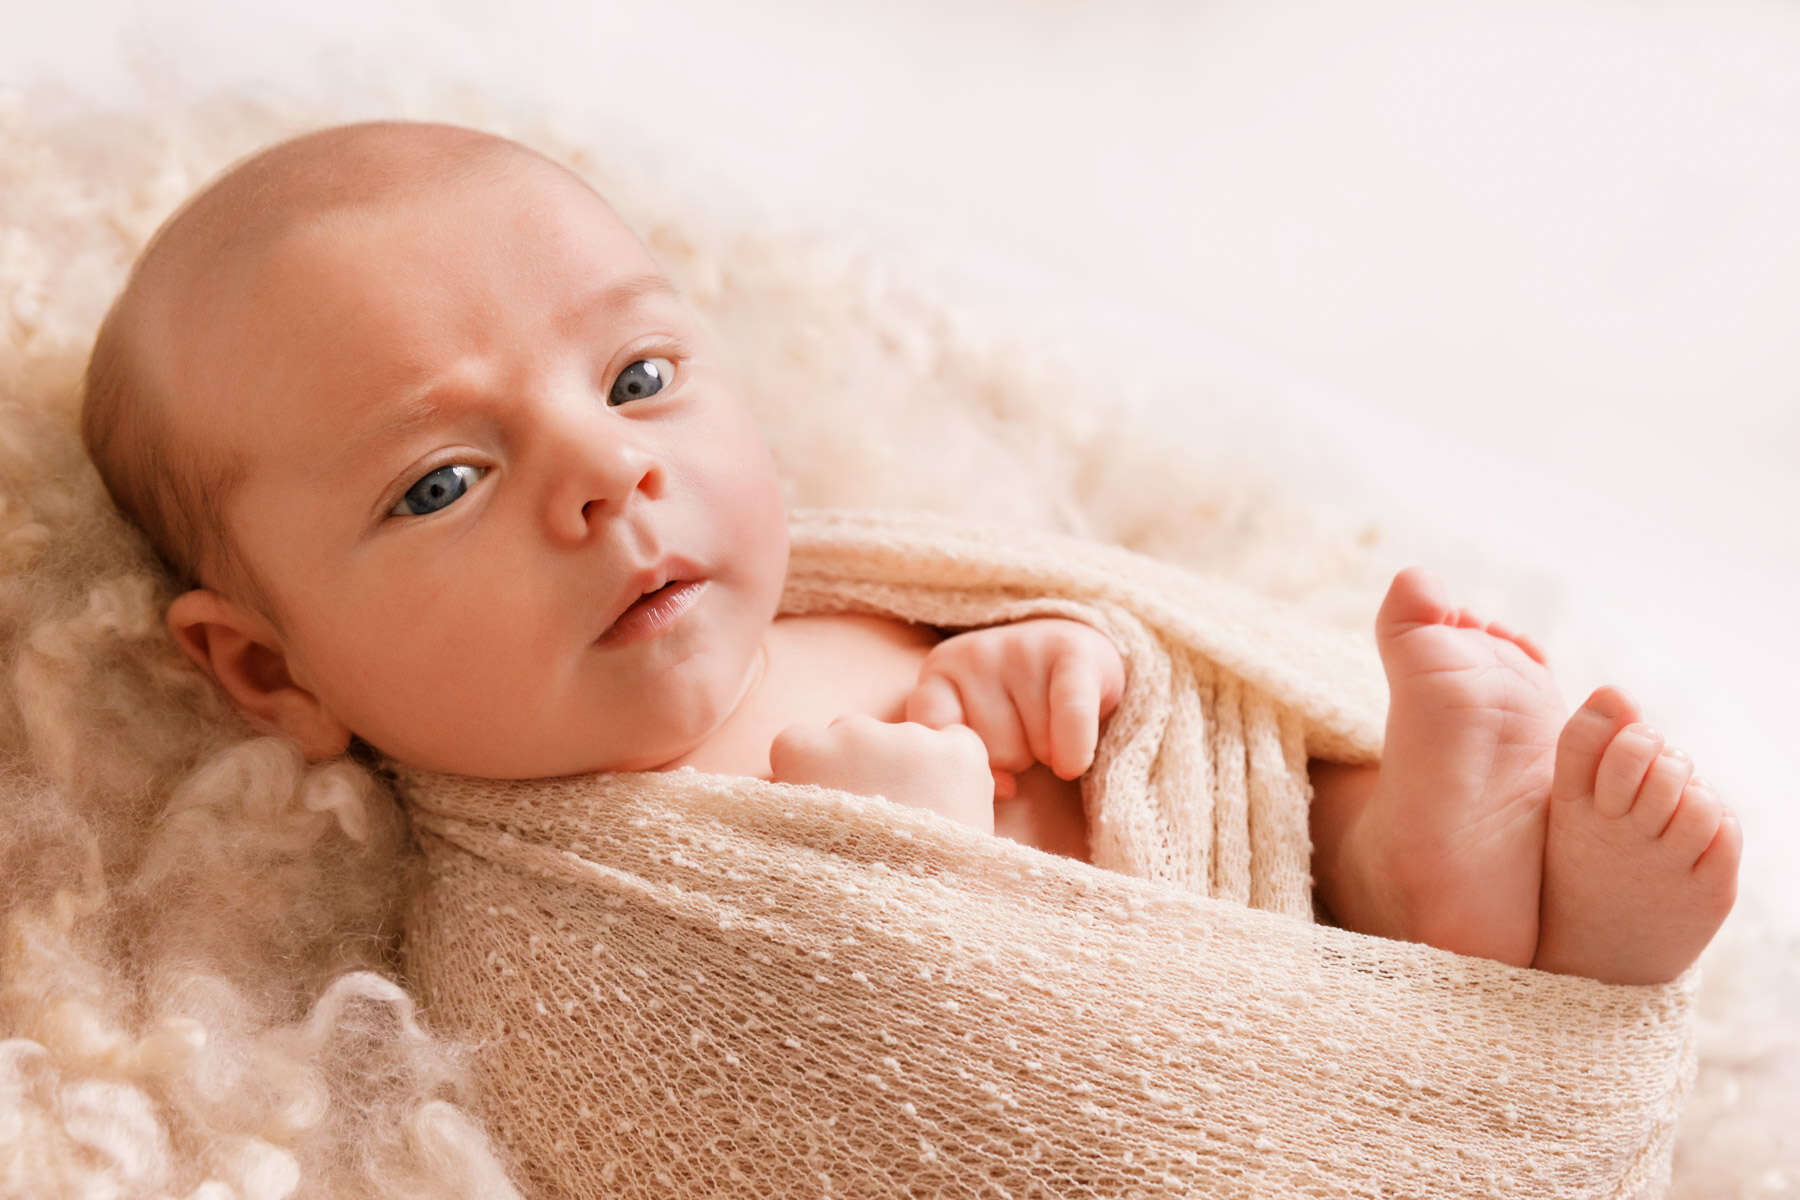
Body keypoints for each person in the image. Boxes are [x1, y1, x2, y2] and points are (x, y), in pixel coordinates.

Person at [79, 120, 1739, 989]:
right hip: (1150, 1048)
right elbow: (813, 1109)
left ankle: (1433, 862)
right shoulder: (551, 898)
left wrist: (1049, 672)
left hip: (1254, 880)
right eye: (442, 481)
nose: (609, 477)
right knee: (1297, 963)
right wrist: (906, 893)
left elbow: (1080, 665)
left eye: (639, 381)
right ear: (272, 669)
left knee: (1291, 795)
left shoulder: (839, 601)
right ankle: (1468, 950)